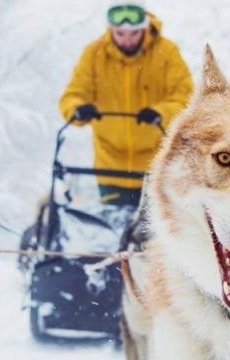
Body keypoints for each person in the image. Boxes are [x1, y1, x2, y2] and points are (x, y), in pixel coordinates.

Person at [59, 0, 193, 208]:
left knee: (148, 235)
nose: (127, 40)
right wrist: (78, 109)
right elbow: (72, 95)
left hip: (154, 168)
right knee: (114, 230)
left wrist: (161, 112)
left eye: (133, 34)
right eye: (120, 34)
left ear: (144, 28)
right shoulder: (94, 55)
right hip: (109, 168)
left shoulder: (166, 53)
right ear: (111, 29)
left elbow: (185, 97)